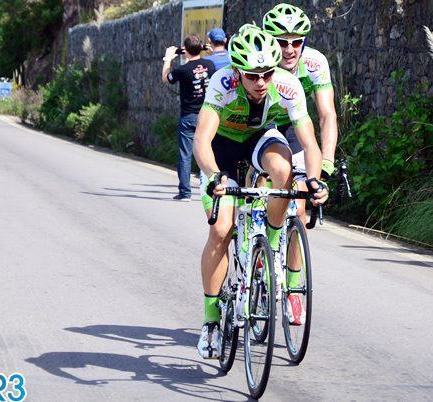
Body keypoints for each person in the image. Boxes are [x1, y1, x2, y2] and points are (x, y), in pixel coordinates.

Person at [192, 24, 328, 358]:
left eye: (267, 73)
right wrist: (212, 175)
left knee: (283, 171)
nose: (261, 82)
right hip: (222, 150)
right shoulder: (222, 83)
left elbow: (309, 141)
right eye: (253, 76)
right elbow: (201, 139)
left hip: (259, 140)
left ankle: (273, 235)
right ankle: (211, 320)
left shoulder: (287, 85)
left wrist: (314, 179)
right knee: (221, 230)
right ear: (237, 71)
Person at [263, 4, 339, 325]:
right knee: (265, 185)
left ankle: (294, 288)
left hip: (298, 127)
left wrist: (326, 165)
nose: (290, 48)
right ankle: (263, 246)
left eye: (296, 41)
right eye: (282, 41)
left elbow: (327, 115)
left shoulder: (314, 62)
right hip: (264, 125)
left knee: (299, 206)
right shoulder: (260, 66)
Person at [162, 35, 216, 201]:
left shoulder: (183, 70)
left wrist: (168, 59)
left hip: (189, 116)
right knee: (210, 152)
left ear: (185, 50)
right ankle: (212, 190)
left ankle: (185, 193)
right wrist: (207, 50)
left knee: (185, 155)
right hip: (208, 115)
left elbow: (166, 78)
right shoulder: (210, 64)